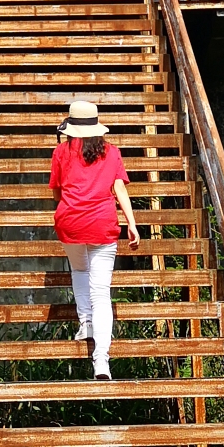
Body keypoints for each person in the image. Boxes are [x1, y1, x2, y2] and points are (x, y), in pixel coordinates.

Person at [49, 97, 140, 380]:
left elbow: (56, 192)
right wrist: (132, 224)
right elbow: (120, 190)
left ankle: (85, 321)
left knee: (79, 269)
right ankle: (101, 360)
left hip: (70, 223)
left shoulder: (61, 153)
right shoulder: (111, 153)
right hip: (103, 224)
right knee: (102, 293)